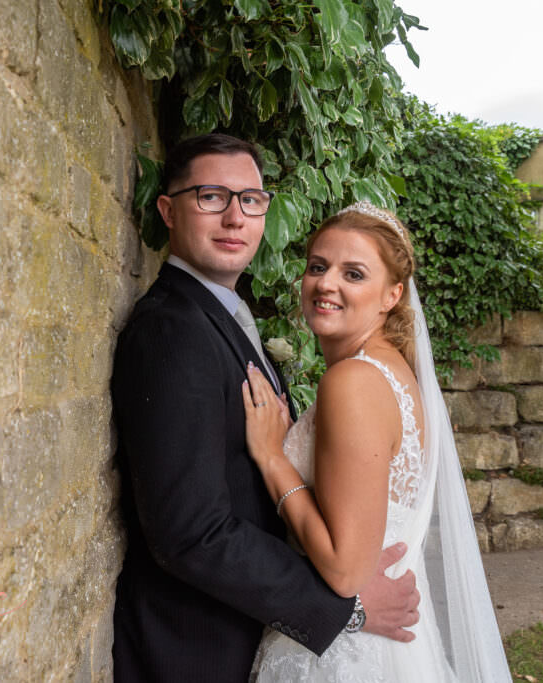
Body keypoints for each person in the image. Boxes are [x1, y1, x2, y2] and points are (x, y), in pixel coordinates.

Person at [110, 134, 421, 683]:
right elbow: (189, 531)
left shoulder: (224, 319)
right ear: (168, 210)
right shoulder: (171, 330)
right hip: (198, 650)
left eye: (251, 200)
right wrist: (343, 608)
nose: (235, 217)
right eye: (211, 196)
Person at [243, 201, 510, 681]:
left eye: (354, 273)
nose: (327, 284)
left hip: (343, 649)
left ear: (392, 295)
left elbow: (346, 570)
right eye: (318, 267)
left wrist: (270, 458)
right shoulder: (395, 374)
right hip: (387, 645)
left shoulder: (354, 381)